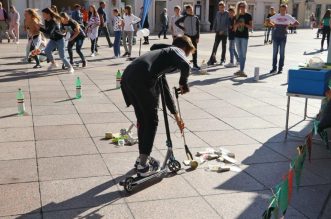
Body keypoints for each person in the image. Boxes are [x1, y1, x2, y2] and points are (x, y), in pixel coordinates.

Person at [121, 36, 195, 177]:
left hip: (128, 76)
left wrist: (176, 116)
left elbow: (165, 91)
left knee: (143, 120)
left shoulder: (161, 57)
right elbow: (186, 65)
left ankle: (141, 160)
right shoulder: (176, 50)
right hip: (142, 77)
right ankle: (143, 166)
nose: (185, 56)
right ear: (184, 48)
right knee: (152, 121)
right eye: (187, 53)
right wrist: (183, 83)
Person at [39, 7, 74, 73]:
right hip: (53, 39)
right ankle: (54, 63)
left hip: (60, 39)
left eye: (44, 14)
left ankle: (70, 67)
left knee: (62, 56)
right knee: (47, 51)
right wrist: (41, 26)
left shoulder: (53, 21)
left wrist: (39, 28)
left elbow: (48, 32)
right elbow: (47, 28)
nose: (42, 15)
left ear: (48, 14)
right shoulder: (46, 20)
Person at [269, 4, 299, 74]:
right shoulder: (277, 15)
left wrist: (289, 25)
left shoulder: (288, 16)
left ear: (286, 10)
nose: (282, 11)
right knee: (274, 53)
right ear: (279, 9)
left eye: (284, 9)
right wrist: (273, 25)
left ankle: (280, 68)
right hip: (275, 37)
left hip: (283, 37)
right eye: (281, 9)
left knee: (282, 53)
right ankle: (274, 68)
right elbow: (267, 20)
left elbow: (297, 23)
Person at [175, 4, 200, 70]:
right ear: (186, 11)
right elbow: (176, 23)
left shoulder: (196, 18)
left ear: (192, 9)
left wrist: (198, 37)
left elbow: (198, 28)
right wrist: (182, 28)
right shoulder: (184, 17)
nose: (190, 11)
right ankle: (183, 64)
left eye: (191, 9)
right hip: (187, 37)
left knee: (194, 51)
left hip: (194, 36)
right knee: (185, 50)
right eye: (188, 10)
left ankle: (195, 64)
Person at [233, 1, 252, 77]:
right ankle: (241, 70)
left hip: (244, 37)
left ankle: (241, 70)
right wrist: (237, 25)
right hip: (237, 36)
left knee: (243, 54)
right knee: (240, 54)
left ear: (245, 7)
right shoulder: (236, 16)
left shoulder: (248, 16)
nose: (242, 8)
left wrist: (244, 24)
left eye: (243, 6)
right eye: (240, 6)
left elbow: (251, 27)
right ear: (238, 7)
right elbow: (234, 28)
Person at [207, 1, 229, 66]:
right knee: (215, 46)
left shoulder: (227, 13)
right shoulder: (217, 13)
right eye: (219, 7)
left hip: (224, 33)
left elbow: (227, 23)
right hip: (218, 32)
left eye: (222, 7)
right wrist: (213, 28)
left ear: (224, 7)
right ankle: (212, 59)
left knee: (223, 47)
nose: (221, 9)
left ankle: (222, 60)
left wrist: (223, 30)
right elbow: (215, 21)